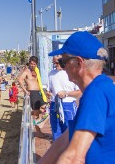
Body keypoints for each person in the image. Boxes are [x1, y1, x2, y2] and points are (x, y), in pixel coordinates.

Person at [38, 31, 114, 164]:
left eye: (63, 61)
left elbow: (74, 158)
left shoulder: (95, 93)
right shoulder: (103, 86)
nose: (62, 67)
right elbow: (65, 139)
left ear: (79, 63)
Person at [46, 55, 81, 140]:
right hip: (55, 105)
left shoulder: (71, 73)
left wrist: (66, 93)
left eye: (57, 62)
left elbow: (79, 92)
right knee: (55, 130)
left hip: (68, 105)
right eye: (54, 63)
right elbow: (48, 89)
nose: (55, 65)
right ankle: (58, 151)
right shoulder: (51, 74)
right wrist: (48, 93)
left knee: (69, 130)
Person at [18, 60, 47, 137]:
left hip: (38, 92)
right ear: (29, 64)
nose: (33, 65)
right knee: (36, 114)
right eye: (31, 64)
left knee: (45, 108)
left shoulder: (36, 71)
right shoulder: (27, 71)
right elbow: (20, 79)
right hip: (32, 92)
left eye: (34, 64)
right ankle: (38, 132)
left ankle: (38, 123)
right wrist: (25, 90)